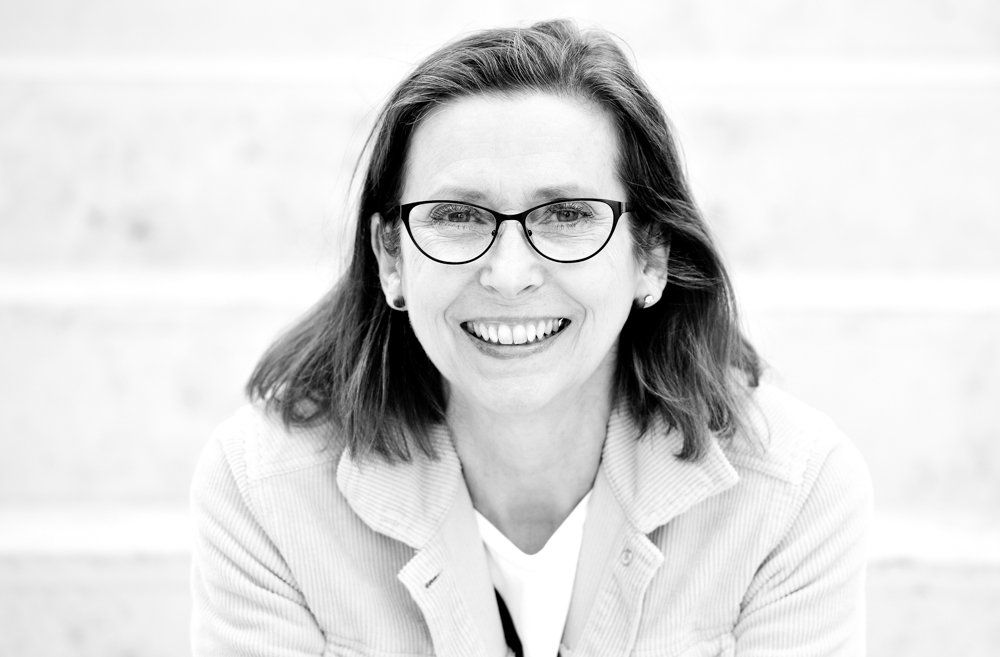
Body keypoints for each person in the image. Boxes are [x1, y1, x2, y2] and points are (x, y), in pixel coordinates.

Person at [189, 19, 872, 657]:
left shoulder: (790, 490)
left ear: (650, 255)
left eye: (567, 214)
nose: (509, 275)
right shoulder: (267, 489)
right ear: (391, 258)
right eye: (456, 214)